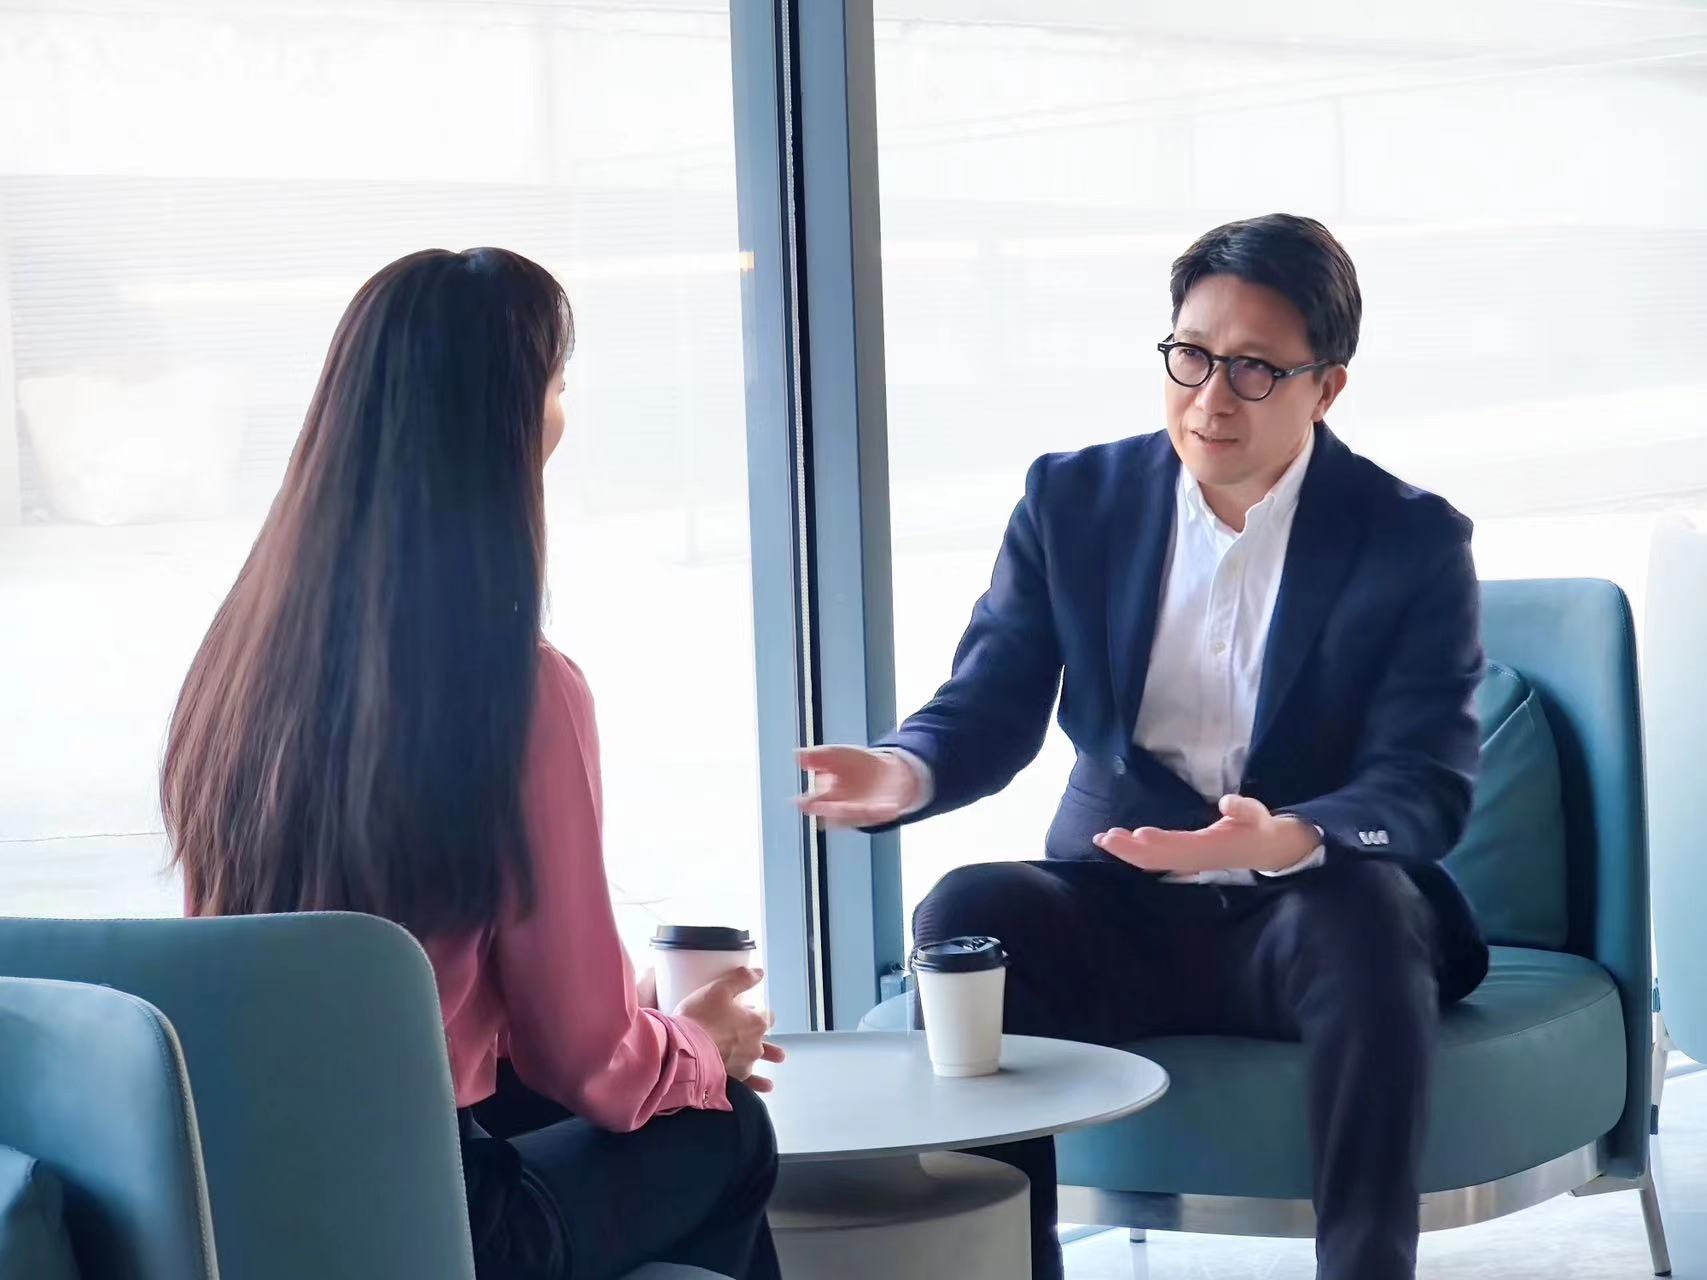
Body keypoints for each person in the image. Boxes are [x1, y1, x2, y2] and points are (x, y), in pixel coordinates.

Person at [798, 214, 1489, 1280]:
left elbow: (1424, 781)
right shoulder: (1073, 500)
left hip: (1299, 911)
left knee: (1369, 915)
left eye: (1255, 369)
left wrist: (1283, 836)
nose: (1211, 397)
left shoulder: (1409, 537)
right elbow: (989, 700)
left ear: (1325, 387)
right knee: (970, 910)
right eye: (1192, 355)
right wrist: (905, 768)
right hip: (1116, 895)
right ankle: (1013, 1263)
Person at [163, 247, 783, 1280]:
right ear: (510, 420)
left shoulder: (235, 667)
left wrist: (643, 1032)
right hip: (436, 1222)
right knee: (725, 1130)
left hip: (244, 1203)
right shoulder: (519, 688)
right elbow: (587, 1060)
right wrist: (695, 1048)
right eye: (557, 385)